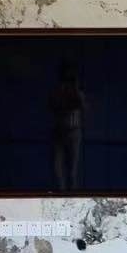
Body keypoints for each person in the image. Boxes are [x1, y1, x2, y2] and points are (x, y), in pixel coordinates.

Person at [49, 62, 86, 190]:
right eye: (65, 77)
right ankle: (60, 193)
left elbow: (82, 106)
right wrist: (62, 91)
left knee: (72, 171)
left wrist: (75, 88)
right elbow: (51, 106)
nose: (67, 80)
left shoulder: (78, 93)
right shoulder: (56, 92)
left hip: (73, 133)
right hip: (59, 133)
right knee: (57, 169)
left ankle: (71, 194)